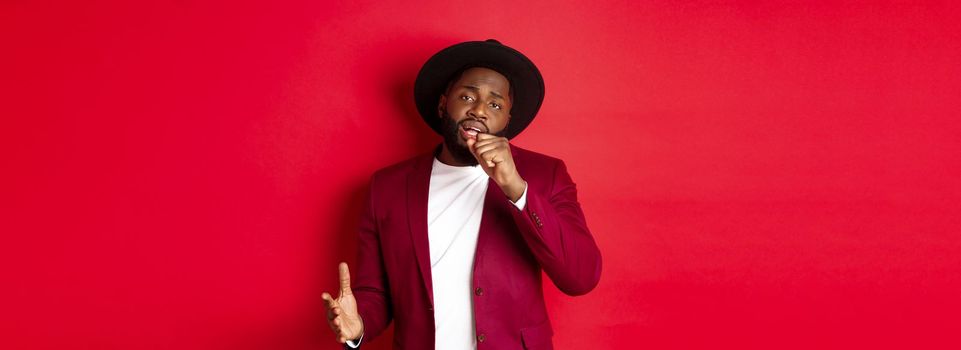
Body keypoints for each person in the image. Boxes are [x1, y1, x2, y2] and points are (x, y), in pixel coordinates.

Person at [321, 39, 602, 350]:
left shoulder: (544, 175)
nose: (479, 110)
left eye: (495, 104)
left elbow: (581, 276)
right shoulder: (387, 188)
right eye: (467, 96)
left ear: (507, 120)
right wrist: (359, 324)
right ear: (443, 104)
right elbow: (377, 292)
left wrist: (516, 188)